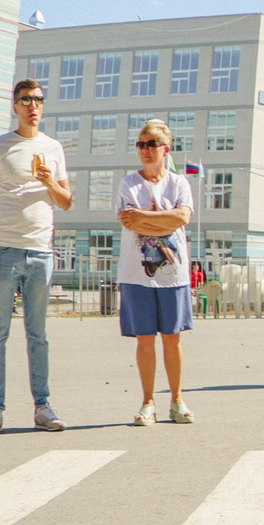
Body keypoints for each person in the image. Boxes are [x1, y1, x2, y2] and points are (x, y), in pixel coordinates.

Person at [0, 76, 71, 436]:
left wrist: (49, 182)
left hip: (41, 253)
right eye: (26, 99)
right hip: (4, 250)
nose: (33, 105)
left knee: (38, 334)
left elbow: (65, 201)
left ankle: (43, 406)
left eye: (39, 100)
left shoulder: (54, 148)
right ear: (14, 105)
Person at [114, 118, 195, 426]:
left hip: (173, 275)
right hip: (137, 274)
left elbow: (182, 218)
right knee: (144, 339)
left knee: (172, 338)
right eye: (140, 144)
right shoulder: (128, 184)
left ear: (165, 149)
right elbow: (128, 222)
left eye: (151, 144)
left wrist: (147, 218)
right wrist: (165, 219)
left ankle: (176, 400)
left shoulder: (179, 183)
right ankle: (148, 402)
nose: (145, 150)